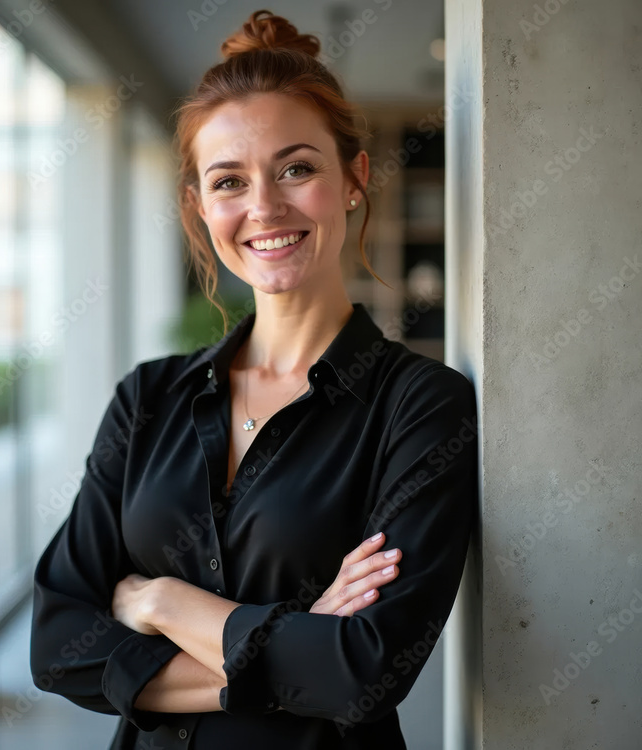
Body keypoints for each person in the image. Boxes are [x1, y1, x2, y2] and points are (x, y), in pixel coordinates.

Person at [29, 9, 478, 749]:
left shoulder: (421, 406)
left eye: (297, 168)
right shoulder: (146, 399)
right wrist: (293, 646)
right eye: (229, 181)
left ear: (354, 178)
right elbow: (58, 645)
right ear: (200, 207)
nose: (264, 207)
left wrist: (164, 601)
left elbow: (364, 673)